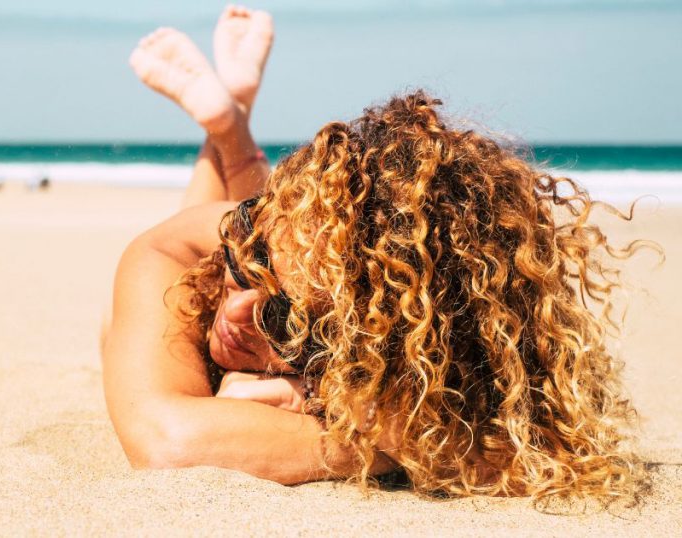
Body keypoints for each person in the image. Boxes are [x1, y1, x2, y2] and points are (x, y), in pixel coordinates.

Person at [102, 5, 653, 505]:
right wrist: (373, 434)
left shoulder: (386, 327)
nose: (239, 310)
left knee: (289, 254)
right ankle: (230, 128)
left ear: (374, 338)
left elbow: (531, 455)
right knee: (170, 289)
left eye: (284, 318)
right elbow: (165, 439)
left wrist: (317, 398)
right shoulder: (195, 250)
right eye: (251, 259)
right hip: (202, 244)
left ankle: (228, 119)